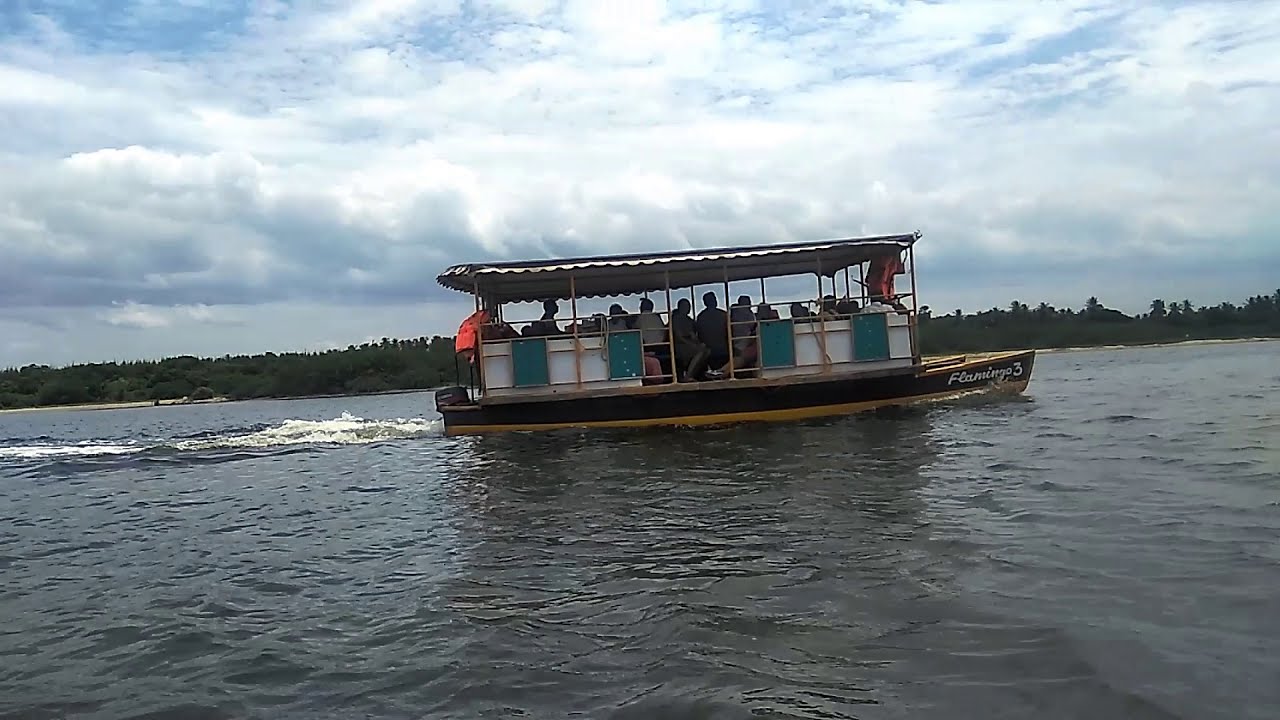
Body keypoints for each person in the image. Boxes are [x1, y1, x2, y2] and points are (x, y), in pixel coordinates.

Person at [670, 298, 710, 381]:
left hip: (690, 344)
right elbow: (679, 337)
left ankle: (697, 373)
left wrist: (699, 343)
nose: (688, 308)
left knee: (707, 350)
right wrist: (693, 344)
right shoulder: (676, 319)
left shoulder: (689, 320)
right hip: (680, 345)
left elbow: (694, 335)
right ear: (680, 307)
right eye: (686, 306)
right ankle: (688, 375)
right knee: (700, 352)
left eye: (689, 306)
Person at [695, 291, 730, 370]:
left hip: (708, 351)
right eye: (714, 299)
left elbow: (699, 335)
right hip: (724, 350)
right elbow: (730, 332)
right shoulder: (723, 315)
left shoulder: (701, 316)